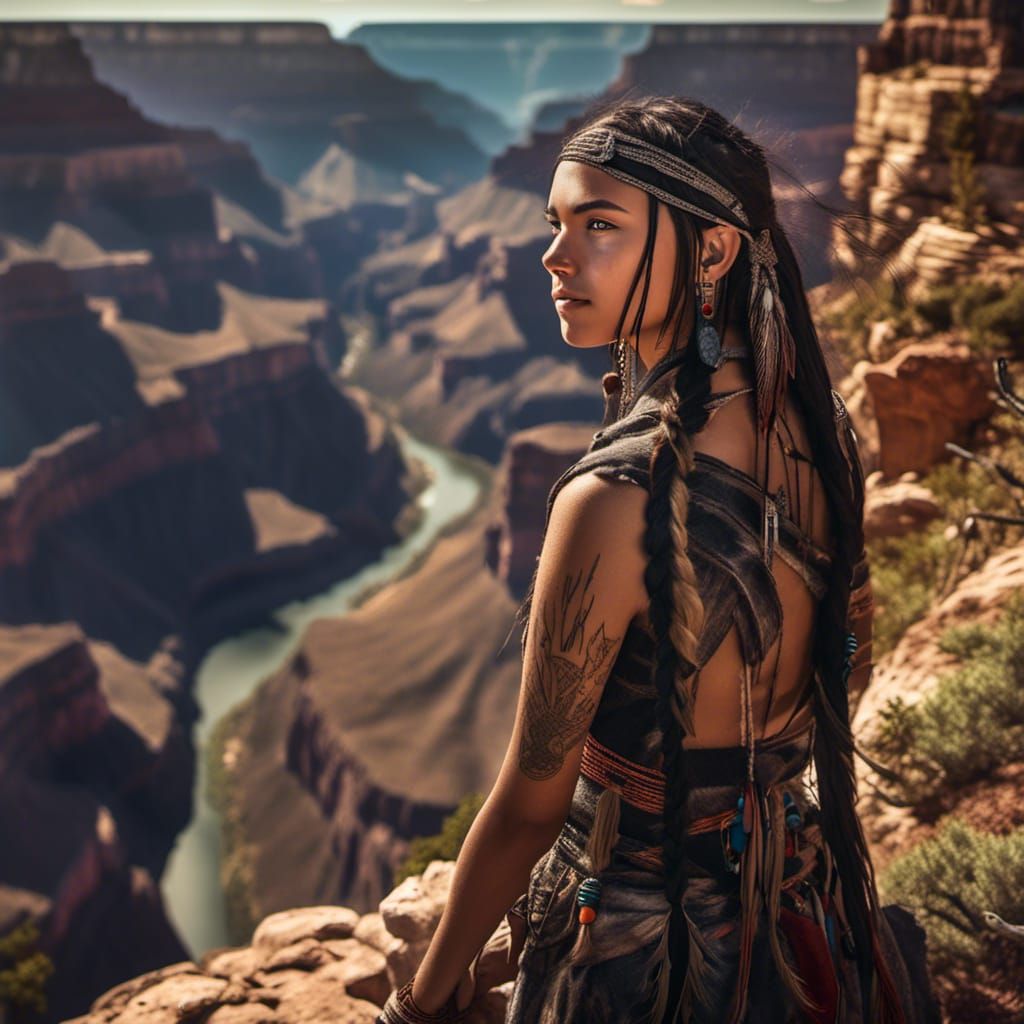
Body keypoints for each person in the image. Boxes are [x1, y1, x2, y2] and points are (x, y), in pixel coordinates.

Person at [378, 96, 940, 1024]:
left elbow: (529, 804)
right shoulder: (822, 438)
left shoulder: (614, 501)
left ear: (712, 250)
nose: (555, 257)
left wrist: (425, 1000)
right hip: (794, 903)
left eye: (600, 225)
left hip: (636, 949)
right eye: (555, 223)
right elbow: (852, 665)